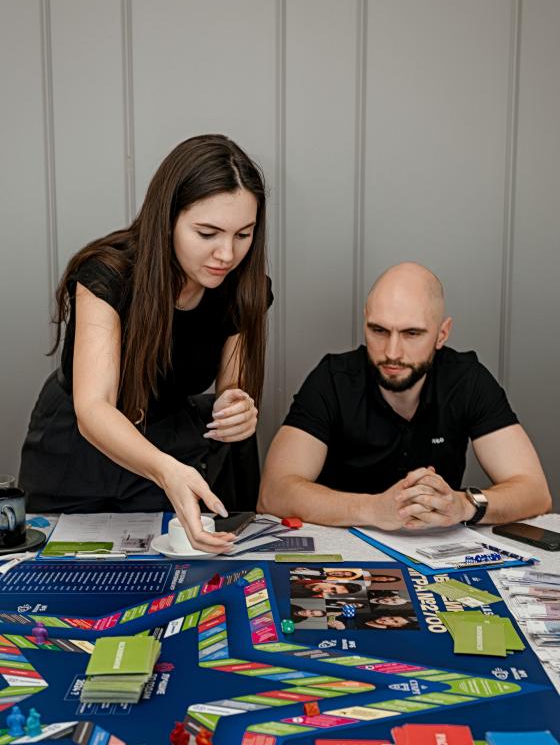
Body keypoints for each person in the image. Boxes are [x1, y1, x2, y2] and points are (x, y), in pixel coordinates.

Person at [20, 135, 272, 553]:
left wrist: (238, 409)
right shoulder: (108, 273)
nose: (227, 254)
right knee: (60, 572)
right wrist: (164, 469)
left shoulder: (244, 287)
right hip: (76, 449)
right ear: (167, 219)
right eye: (207, 233)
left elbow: (232, 388)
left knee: (165, 570)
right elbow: (94, 407)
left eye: (243, 234)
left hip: (170, 441)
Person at [258, 262, 551, 529]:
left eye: (412, 333)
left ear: (442, 334)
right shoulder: (332, 380)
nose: (392, 352)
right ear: (365, 322)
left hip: (436, 553)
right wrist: (372, 509)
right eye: (379, 330)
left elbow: (535, 493)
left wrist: (464, 505)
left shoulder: (467, 380)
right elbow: (273, 494)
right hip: (342, 552)